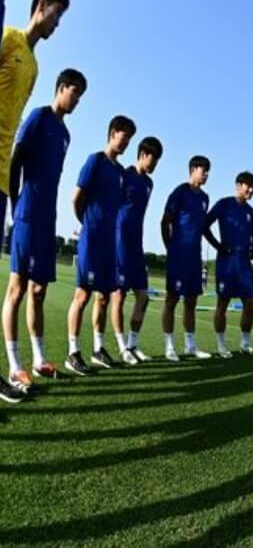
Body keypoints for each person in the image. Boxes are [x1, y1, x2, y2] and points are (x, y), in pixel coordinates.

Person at [0, 69, 82, 400]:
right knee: (17, 289)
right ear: (60, 88)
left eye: (81, 95)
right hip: (28, 214)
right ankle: (14, 365)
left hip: (48, 219)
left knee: (38, 291)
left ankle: (39, 360)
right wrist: (16, 204)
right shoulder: (38, 117)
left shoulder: (65, 134)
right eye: (74, 91)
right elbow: (16, 160)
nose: (76, 100)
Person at [64, 115, 134, 375]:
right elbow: (76, 197)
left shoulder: (120, 172)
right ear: (113, 133)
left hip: (109, 242)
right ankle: (73, 352)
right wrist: (87, 223)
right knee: (82, 295)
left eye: (129, 139)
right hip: (92, 239)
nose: (126, 143)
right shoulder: (95, 160)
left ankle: (98, 348)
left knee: (104, 297)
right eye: (124, 137)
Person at [0, 0, 68, 231]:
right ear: (41, 5)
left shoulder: (34, 68)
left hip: (2, 176)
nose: (57, 23)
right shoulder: (8, 37)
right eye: (57, 13)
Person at [109, 136, 161, 365]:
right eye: (154, 159)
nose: (155, 164)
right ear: (143, 155)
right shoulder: (124, 175)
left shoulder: (149, 184)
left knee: (143, 296)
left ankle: (132, 344)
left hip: (137, 244)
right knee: (119, 295)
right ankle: (122, 347)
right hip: (119, 240)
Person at [204, 171, 253, 358]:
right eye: (248, 186)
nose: (251, 190)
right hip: (226, 262)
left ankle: (245, 343)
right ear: (238, 186)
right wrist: (218, 246)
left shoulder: (251, 212)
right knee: (223, 303)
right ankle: (221, 345)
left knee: (250, 303)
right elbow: (205, 225)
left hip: (244, 263)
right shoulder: (224, 204)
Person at [161, 156, 211, 362]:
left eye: (208, 171)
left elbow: (203, 227)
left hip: (194, 257)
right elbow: (165, 221)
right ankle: (169, 346)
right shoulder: (180, 192)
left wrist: (217, 245)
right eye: (203, 170)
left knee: (191, 301)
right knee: (172, 299)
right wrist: (170, 248)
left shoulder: (205, 198)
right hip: (178, 255)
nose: (206, 174)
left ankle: (190, 346)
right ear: (192, 170)